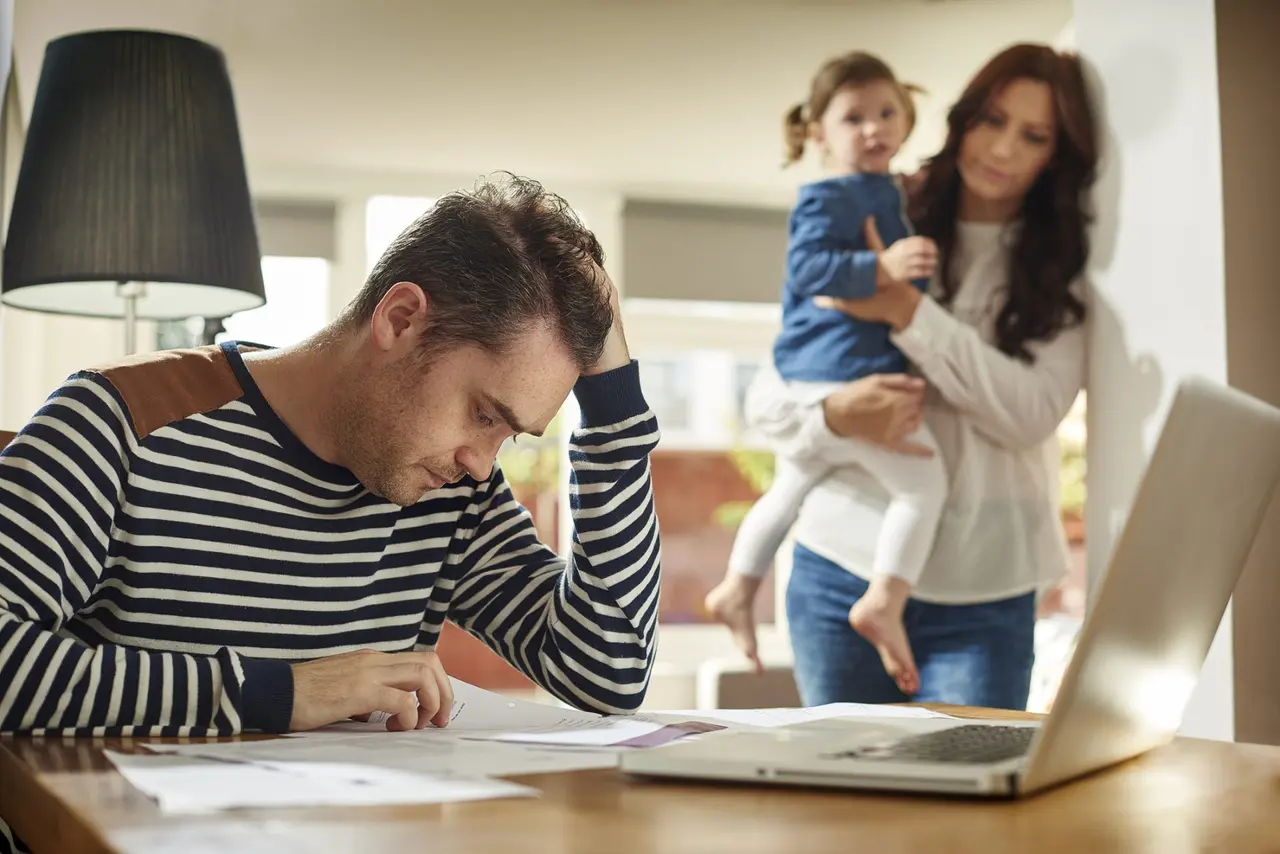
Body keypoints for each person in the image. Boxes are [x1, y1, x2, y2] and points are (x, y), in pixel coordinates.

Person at [0, 174, 660, 743]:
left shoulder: (450, 493)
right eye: (484, 413)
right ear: (401, 320)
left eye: (508, 434)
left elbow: (607, 676)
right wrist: (278, 694)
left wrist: (615, 412)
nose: (483, 464)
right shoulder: (122, 420)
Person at [723, 42, 1098, 711]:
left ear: (1055, 155)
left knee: (970, 804)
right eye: (991, 120)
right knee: (845, 808)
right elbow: (773, 391)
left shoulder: (1059, 264)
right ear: (960, 122)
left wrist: (905, 310)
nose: (1004, 148)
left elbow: (1031, 413)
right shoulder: (878, 212)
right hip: (839, 567)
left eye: (1033, 135)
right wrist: (831, 417)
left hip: (985, 594)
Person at [704, 51, 946, 695]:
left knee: (794, 481)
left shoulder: (886, 189)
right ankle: (884, 601)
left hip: (825, 371)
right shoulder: (828, 194)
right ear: (819, 134)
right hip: (833, 370)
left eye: (887, 113)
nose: (874, 128)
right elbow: (809, 270)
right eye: (853, 118)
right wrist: (885, 268)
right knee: (923, 486)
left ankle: (738, 585)